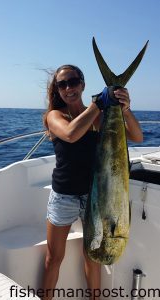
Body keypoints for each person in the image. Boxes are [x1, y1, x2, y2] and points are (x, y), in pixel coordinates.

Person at [42, 64, 143, 300]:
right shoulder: (55, 116)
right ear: (57, 90)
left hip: (94, 197)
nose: (69, 88)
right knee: (53, 258)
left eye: (73, 82)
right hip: (63, 197)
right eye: (62, 84)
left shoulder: (98, 118)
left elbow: (137, 137)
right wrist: (98, 105)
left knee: (94, 257)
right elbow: (70, 134)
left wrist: (125, 110)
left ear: (82, 84)